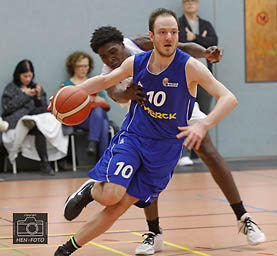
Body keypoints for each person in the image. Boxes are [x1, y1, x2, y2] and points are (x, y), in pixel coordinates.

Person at [63, 25, 266, 254]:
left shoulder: (140, 44)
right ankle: (154, 232)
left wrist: (205, 52)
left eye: (113, 52)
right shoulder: (109, 70)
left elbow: (183, 47)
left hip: (179, 104)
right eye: (104, 56)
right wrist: (126, 94)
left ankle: (243, 217)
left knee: (208, 151)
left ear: (122, 44)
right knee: (149, 163)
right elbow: (113, 92)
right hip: (149, 112)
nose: (110, 58)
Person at [178, 0, 219, 164]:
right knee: (186, 112)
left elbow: (213, 43)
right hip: (184, 75)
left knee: (203, 112)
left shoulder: (206, 24)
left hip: (204, 75)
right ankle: (184, 153)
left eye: (193, 1)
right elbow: (180, 44)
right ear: (183, 5)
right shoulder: (179, 23)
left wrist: (194, 37)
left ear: (198, 4)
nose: (190, 4)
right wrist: (199, 40)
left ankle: (199, 152)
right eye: (186, 1)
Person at [1, 60, 58, 175]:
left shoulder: (36, 87)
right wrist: (24, 96)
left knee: (40, 129)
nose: (27, 79)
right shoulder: (11, 88)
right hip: (15, 122)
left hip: (33, 122)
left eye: (30, 76)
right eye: (24, 76)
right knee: (31, 125)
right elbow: (7, 108)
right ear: (18, 75)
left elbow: (43, 109)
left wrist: (38, 97)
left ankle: (45, 163)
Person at [63, 51, 110, 157]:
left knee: (99, 113)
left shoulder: (93, 82)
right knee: (103, 123)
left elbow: (105, 102)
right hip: (79, 119)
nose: (84, 69)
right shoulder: (67, 85)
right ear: (73, 67)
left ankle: (92, 143)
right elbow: (66, 107)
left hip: (95, 116)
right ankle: (104, 160)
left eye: (86, 66)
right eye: (80, 66)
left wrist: (96, 99)